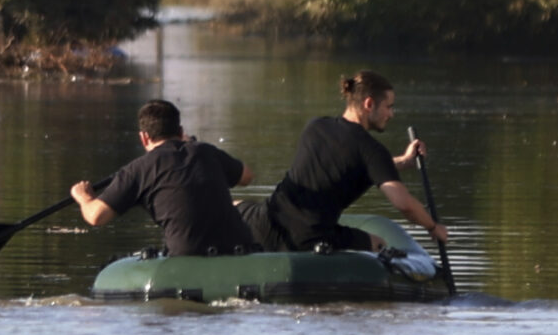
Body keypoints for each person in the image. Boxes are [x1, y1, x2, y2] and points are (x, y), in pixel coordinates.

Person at [250, 71, 449, 255]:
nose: (391, 114)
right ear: (369, 104)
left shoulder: (316, 126)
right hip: (311, 237)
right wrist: (433, 227)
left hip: (267, 222)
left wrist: (403, 161)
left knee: (238, 205)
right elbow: (404, 204)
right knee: (379, 243)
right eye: (388, 107)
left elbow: (351, 164)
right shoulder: (371, 149)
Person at [71, 99, 257, 258]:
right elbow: (247, 176)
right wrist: (192, 145)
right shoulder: (206, 151)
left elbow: (96, 216)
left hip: (188, 256)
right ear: (180, 130)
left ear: (144, 138)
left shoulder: (138, 169)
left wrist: (83, 197)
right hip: (237, 249)